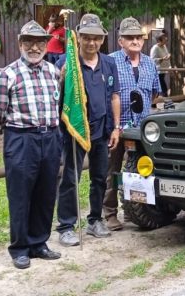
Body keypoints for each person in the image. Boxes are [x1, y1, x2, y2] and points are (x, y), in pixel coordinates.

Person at [0, 20, 62, 269]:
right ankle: (19, 248)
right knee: (20, 196)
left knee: (46, 192)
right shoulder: (7, 74)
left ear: (46, 44)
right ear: (20, 44)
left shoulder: (53, 72)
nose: (34, 47)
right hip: (21, 140)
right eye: (28, 41)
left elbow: (57, 106)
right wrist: (13, 134)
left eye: (40, 41)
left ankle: (39, 243)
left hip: (50, 138)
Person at [56, 13, 121, 246]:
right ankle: (66, 226)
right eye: (86, 38)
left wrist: (116, 127)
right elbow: (58, 97)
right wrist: (61, 79)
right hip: (75, 132)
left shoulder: (109, 63)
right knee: (70, 179)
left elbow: (114, 96)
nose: (91, 42)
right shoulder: (67, 64)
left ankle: (95, 220)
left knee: (100, 177)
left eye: (96, 38)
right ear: (79, 38)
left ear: (102, 40)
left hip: (102, 131)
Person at [103, 17, 161, 230]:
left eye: (138, 37)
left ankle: (135, 210)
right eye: (130, 37)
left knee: (140, 170)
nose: (135, 40)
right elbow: (104, 93)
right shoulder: (110, 61)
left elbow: (155, 93)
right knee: (112, 171)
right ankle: (109, 213)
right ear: (120, 40)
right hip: (116, 127)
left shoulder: (149, 63)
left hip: (142, 128)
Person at [150, 32, 171, 97]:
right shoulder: (155, 48)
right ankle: (166, 100)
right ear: (159, 40)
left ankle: (154, 102)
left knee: (159, 86)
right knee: (161, 85)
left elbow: (166, 55)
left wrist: (170, 65)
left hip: (163, 69)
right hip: (157, 70)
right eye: (164, 38)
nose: (166, 39)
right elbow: (152, 60)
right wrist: (161, 59)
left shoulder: (164, 46)